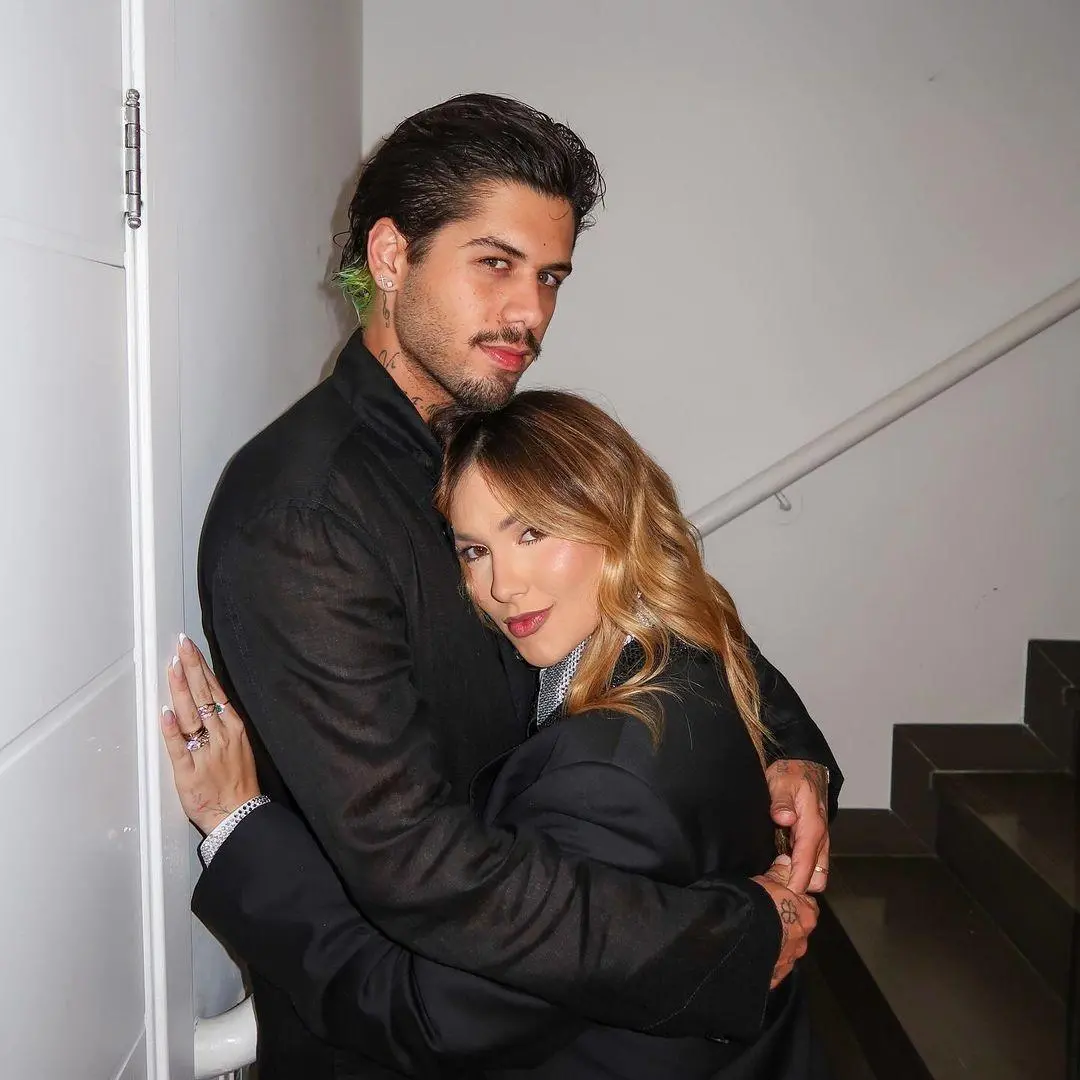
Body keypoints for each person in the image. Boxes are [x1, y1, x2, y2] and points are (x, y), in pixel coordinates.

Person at [184, 92, 841, 1077]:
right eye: (495, 263)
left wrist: (789, 751)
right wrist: (721, 943)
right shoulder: (306, 517)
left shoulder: (499, 437)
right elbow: (420, 866)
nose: (531, 313)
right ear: (392, 257)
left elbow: (663, 592)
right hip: (418, 1025)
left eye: (550, 276)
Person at [165, 390, 832, 1078]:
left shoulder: (605, 774)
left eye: (532, 534)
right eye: (475, 551)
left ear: (614, 518)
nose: (502, 585)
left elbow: (428, 1015)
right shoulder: (689, 649)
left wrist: (235, 823)